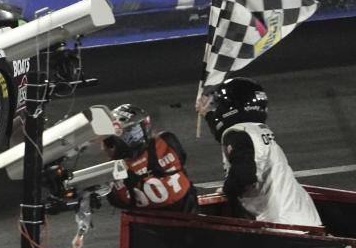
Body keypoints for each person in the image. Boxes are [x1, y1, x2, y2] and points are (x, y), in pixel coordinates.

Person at [200, 77, 321, 228]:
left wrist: (227, 189)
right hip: (303, 215)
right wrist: (208, 116)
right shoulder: (253, 130)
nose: (217, 108)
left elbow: (244, 174)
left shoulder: (239, 134)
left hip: (281, 224)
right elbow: (235, 144)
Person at [102, 104, 198, 213]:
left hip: (149, 227)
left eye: (109, 142)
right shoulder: (167, 141)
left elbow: (119, 202)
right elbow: (182, 159)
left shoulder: (112, 171)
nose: (104, 147)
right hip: (189, 214)